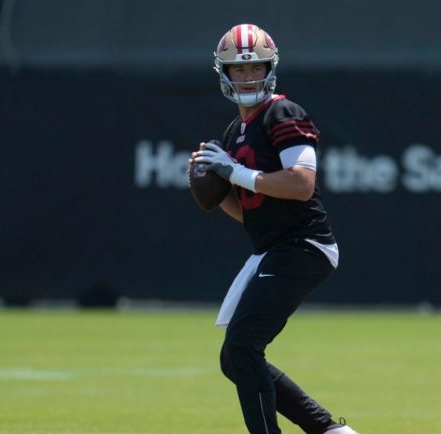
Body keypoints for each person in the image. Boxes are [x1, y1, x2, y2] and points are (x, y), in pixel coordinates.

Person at [190, 24, 360, 434]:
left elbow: (301, 184)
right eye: (238, 70)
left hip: (304, 245)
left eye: (255, 69)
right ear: (224, 73)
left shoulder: (283, 113)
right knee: (235, 358)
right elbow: (250, 212)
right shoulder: (235, 132)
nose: (248, 77)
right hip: (274, 248)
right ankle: (330, 431)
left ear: (270, 68)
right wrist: (211, 182)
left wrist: (238, 172)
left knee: (244, 345)